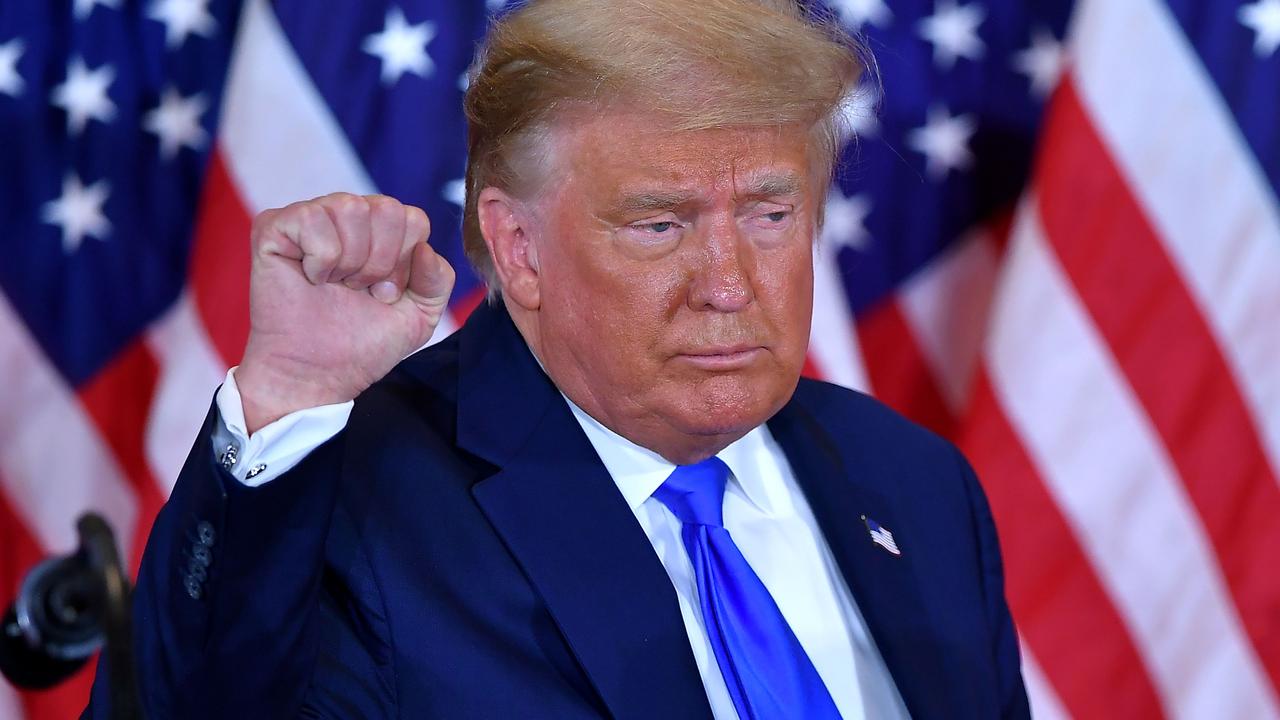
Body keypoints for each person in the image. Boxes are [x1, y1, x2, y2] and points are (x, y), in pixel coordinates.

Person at [88, 0, 1029, 717]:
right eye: (661, 224)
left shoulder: (912, 483)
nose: (730, 285)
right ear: (520, 248)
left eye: (770, 216)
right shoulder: (360, 499)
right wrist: (291, 395)